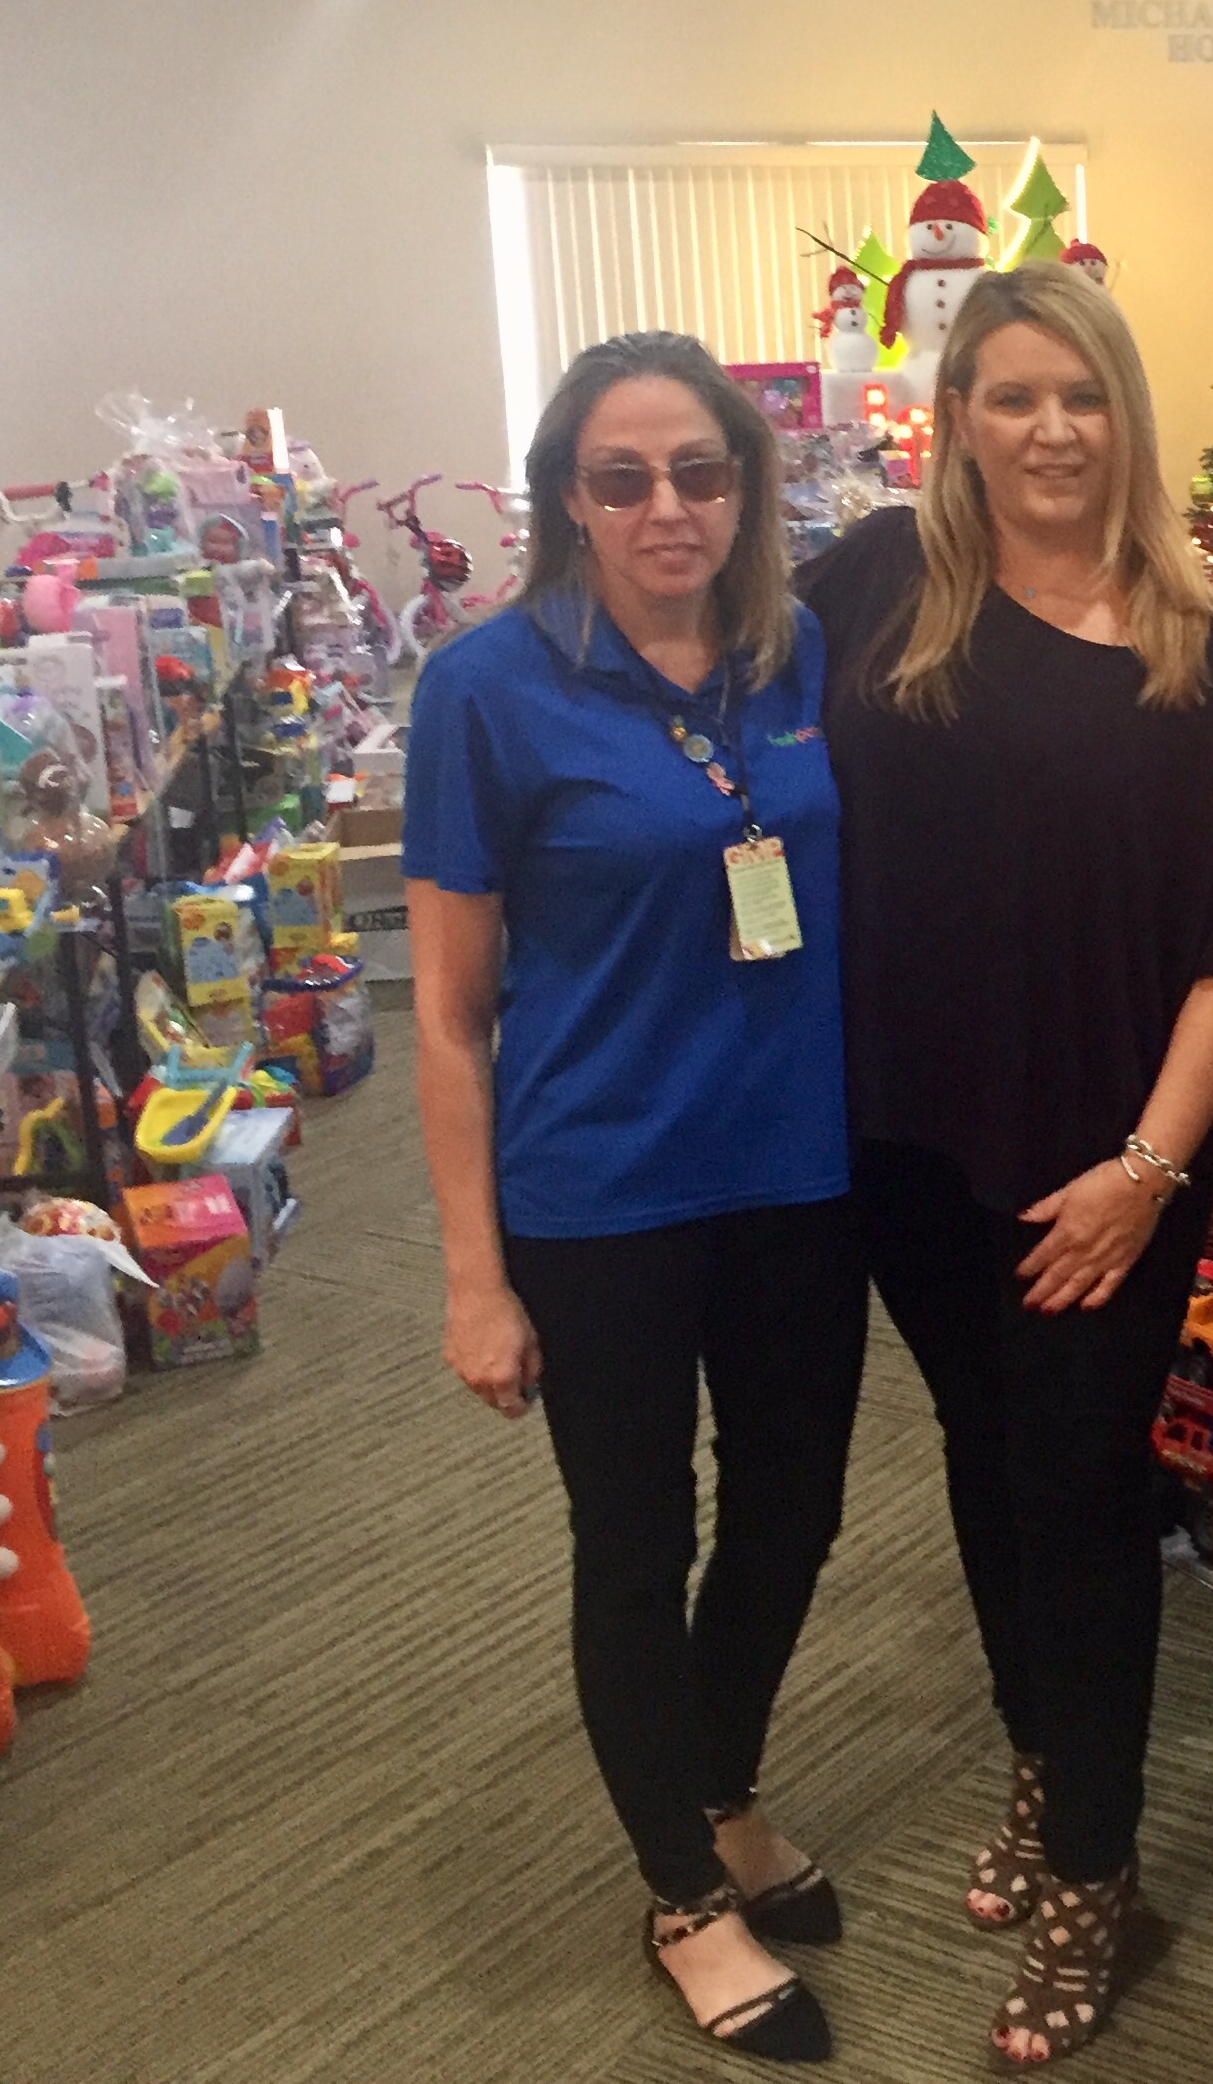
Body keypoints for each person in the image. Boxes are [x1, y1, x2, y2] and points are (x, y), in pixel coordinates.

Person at [802, 264, 1213, 2068]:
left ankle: (1101, 1875)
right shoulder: (874, 586)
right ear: (956, 420)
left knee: (1088, 1502)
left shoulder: (1208, 665)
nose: (1048, 430)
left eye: (1081, 396)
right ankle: (1043, 1765)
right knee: (983, 1460)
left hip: (1100, 1171)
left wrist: (1145, 1172)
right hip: (902, 1151)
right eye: (1010, 396)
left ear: (1127, 420)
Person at [408, 332, 861, 2066]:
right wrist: (473, 1278)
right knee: (637, 1537)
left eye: (699, 472)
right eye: (624, 477)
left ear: (745, 486)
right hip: (598, 1191)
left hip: (795, 1176)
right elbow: (448, 1023)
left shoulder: (795, 652)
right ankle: (683, 1889)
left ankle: (722, 1784)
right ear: (568, 502)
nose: (667, 506)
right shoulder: (487, 687)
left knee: (797, 1510)